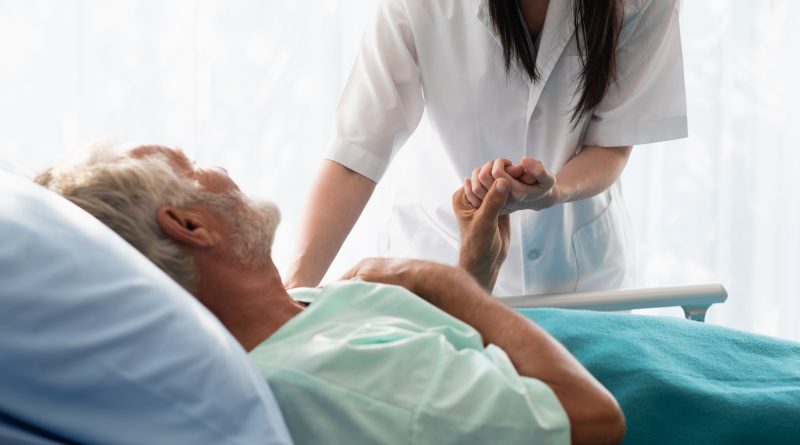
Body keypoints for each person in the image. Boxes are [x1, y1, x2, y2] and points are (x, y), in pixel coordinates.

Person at [36, 145, 625, 445]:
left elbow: (448, 379)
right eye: (192, 165)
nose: (216, 167)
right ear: (190, 227)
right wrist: (436, 283)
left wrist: (472, 273)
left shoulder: (309, 316)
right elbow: (592, 421)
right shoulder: (324, 376)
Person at [286, 0, 688, 297]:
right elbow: (357, 154)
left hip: (578, 273)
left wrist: (554, 190)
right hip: (438, 255)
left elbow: (612, 146)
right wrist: (292, 295)